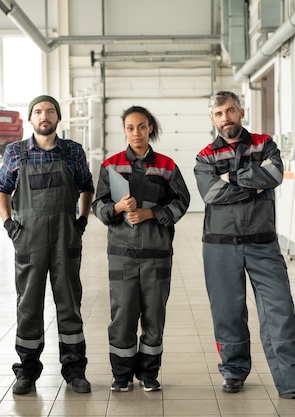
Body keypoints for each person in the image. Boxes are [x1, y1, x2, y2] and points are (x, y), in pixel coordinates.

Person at [194, 91, 295, 404]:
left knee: (280, 310)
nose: (225, 118)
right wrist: (253, 185)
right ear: (213, 119)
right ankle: (233, 370)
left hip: (262, 243)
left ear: (241, 112)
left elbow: (275, 174)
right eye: (218, 114)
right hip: (219, 245)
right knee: (227, 312)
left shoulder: (264, 143)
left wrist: (231, 178)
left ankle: (294, 381)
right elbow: (211, 194)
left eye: (230, 111)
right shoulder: (205, 156)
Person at [0, 95, 94, 395]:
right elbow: (2, 189)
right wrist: (8, 223)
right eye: (38, 111)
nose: (44, 116)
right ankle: (26, 371)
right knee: (28, 306)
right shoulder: (15, 152)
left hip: (65, 236)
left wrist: (83, 219)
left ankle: (75, 370)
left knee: (69, 304)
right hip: (29, 239)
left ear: (58, 118)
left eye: (50, 111)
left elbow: (86, 186)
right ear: (31, 119)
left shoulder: (72, 152)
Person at [92, 106, 190, 392]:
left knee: (154, 316)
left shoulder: (166, 166)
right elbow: (98, 205)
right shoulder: (110, 165)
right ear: (124, 130)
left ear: (151, 129)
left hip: (157, 255)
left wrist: (151, 215)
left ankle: (149, 373)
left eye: (142, 126)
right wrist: (117, 207)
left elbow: (182, 201)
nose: (137, 132)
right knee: (122, 316)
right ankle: (121, 375)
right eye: (131, 127)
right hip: (122, 255)